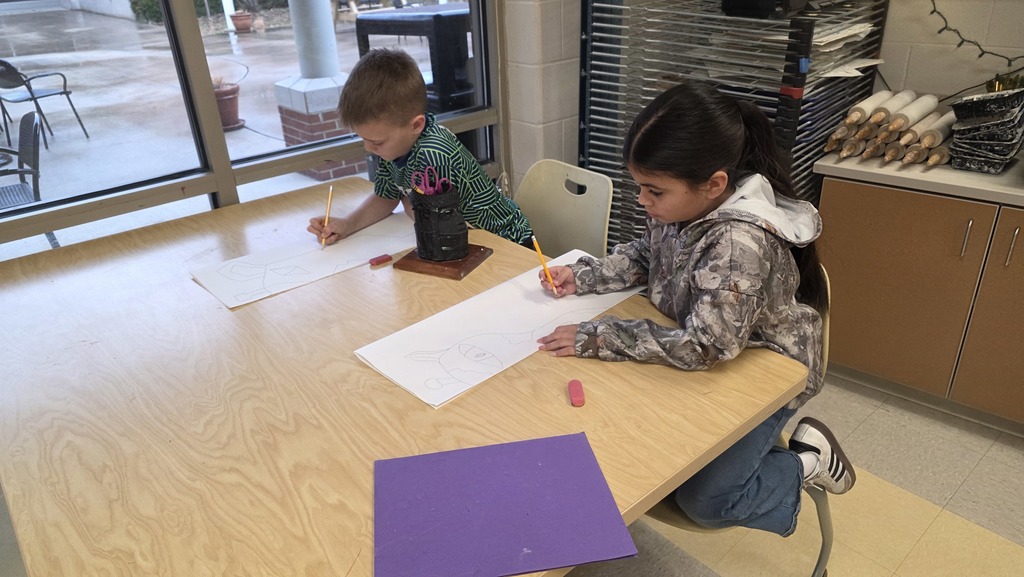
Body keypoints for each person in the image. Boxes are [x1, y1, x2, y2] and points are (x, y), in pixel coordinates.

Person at [535, 80, 855, 537]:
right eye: (640, 187)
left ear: (715, 185)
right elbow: (648, 255)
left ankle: (807, 460)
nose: (642, 201)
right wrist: (584, 276)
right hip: (707, 343)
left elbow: (707, 346)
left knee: (705, 500)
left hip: (765, 372)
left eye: (653, 191)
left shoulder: (737, 245)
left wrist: (600, 335)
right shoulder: (685, 206)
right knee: (639, 454)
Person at [308, 48, 533, 248]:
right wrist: (347, 224)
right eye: (364, 139)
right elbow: (387, 198)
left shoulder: (434, 154)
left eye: (377, 142)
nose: (369, 148)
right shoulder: (395, 146)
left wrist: (408, 203)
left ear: (416, 125)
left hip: (506, 242)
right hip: (465, 240)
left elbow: (434, 223)